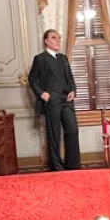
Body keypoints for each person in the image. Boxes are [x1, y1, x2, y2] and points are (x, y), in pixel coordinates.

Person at [29, 29, 82, 171]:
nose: (58, 40)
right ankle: (57, 168)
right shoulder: (40, 58)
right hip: (52, 101)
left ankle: (73, 166)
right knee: (54, 134)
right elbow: (32, 78)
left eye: (59, 37)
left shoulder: (63, 58)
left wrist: (72, 90)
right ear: (46, 41)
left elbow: (70, 77)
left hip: (67, 100)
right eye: (54, 38)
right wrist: (42, 94)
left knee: (72, 130)